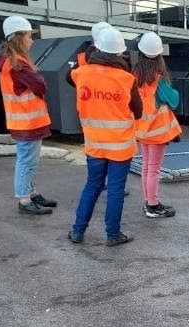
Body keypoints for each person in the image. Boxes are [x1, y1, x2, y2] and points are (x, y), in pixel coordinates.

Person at [68, 27, 142, 246]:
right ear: (120, 54)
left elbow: (69, 76)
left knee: (92, 185)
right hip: (120, 147)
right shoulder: (127, 79)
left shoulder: (81, 73)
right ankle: (113, 234)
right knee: (116, 189)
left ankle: (77, 231)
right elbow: (138, 112)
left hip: (94, 144)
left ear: (97, 48)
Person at [0, 15, 55, 215]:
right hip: (28, 122)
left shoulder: (7, 61)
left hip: (23, 121)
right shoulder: (17, 63)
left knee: (29, 160)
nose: (31, 40)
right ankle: (24, 200)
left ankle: (32, 192)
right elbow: (41, 85)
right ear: (20, 37)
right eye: (29, 36)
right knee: (27, 161)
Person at [133, 32, 181, 218]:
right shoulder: (158, 80)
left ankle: (148, 201)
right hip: (157, 132)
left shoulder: (135, 76)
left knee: (146, 167)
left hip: (142, 131)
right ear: (159, 55)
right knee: (153, 168)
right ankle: (152, 205)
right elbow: (174, 100)